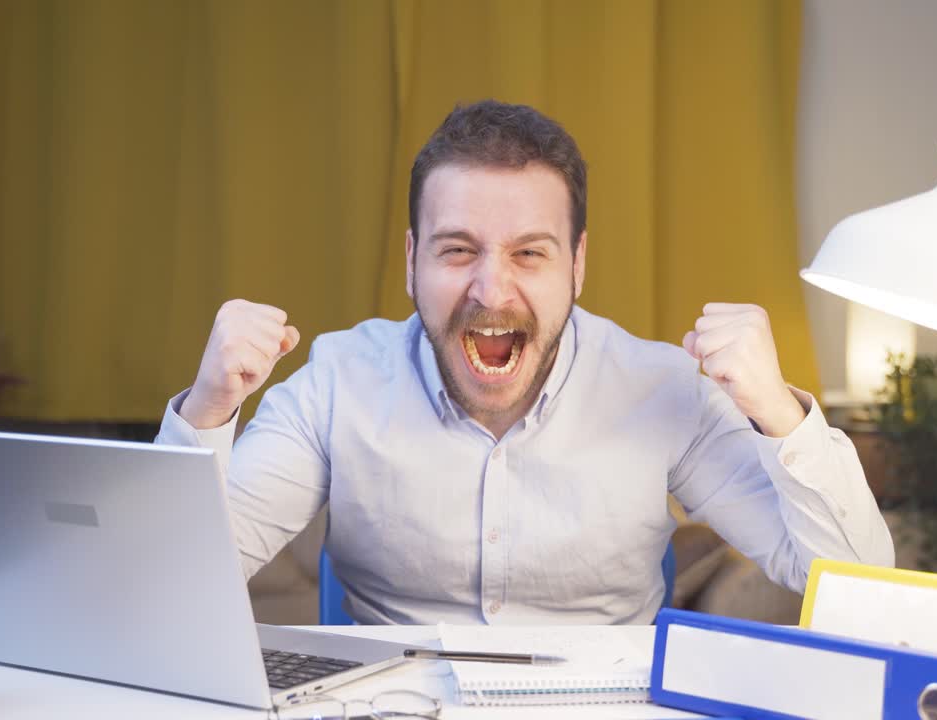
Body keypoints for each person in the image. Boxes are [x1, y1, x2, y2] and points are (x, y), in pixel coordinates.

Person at [156, 100, 893, 624]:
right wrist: (208, 410)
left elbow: (859, 591)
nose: (491, 289)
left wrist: (779, 414)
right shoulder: (336, 382)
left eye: (529, 254)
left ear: (577, 265)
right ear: (412, 262)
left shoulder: (662, 390)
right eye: (457, 249)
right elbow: (169, 588)